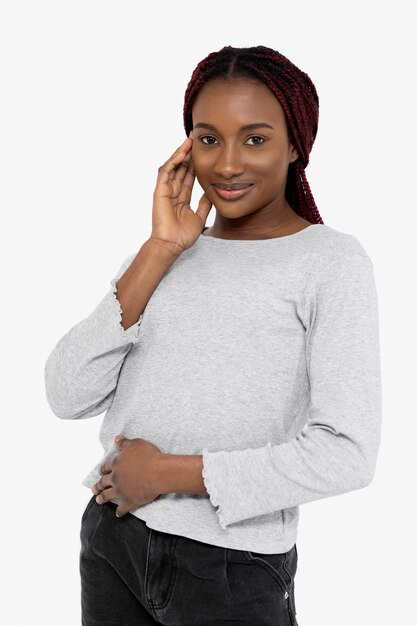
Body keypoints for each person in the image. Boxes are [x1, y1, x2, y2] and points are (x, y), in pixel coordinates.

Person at [44, 45, 382, 625]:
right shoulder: (162, 256)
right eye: (208, 138)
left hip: (232, 567)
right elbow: (66, 393)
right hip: (114, 540)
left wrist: (167, 474)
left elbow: (347, 453)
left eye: (255, 139)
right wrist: (158, 251)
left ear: (296, 143)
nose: (226, 164)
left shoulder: (330, 262)